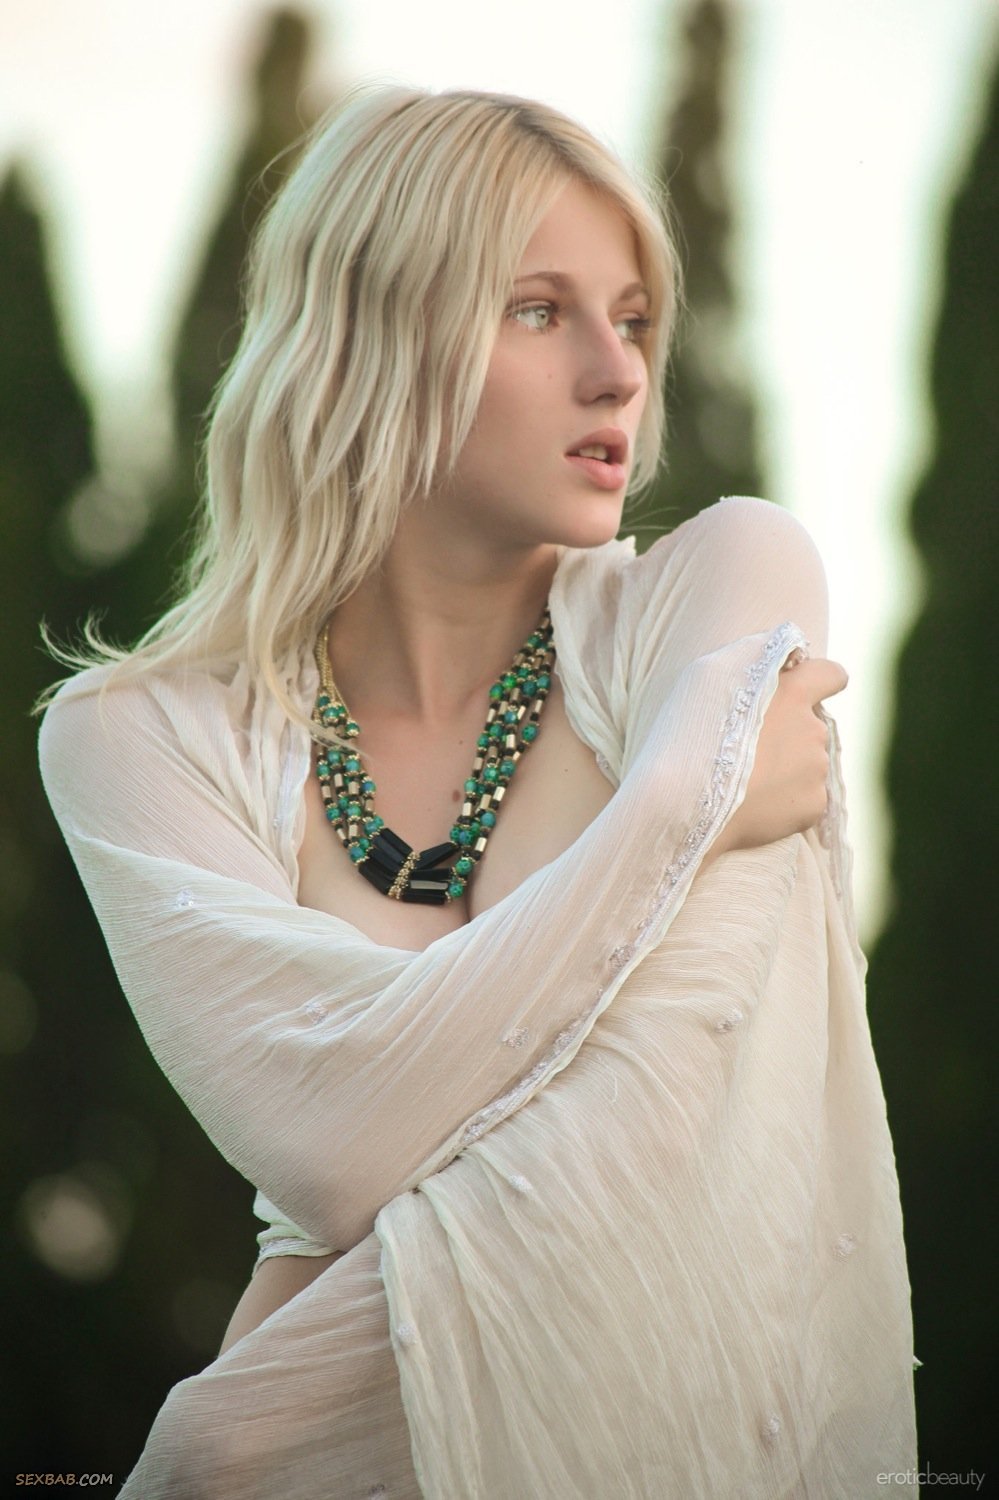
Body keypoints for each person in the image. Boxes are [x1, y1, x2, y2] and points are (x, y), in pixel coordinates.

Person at [38, 84, 916, 1497]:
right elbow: (329, 1142)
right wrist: (676, 807)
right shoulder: (139, 736)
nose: (618, 374)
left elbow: (658, 1132)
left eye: (633, 319)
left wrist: (241, 1433)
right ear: (369, 337)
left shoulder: (716, 594)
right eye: (537, 310)